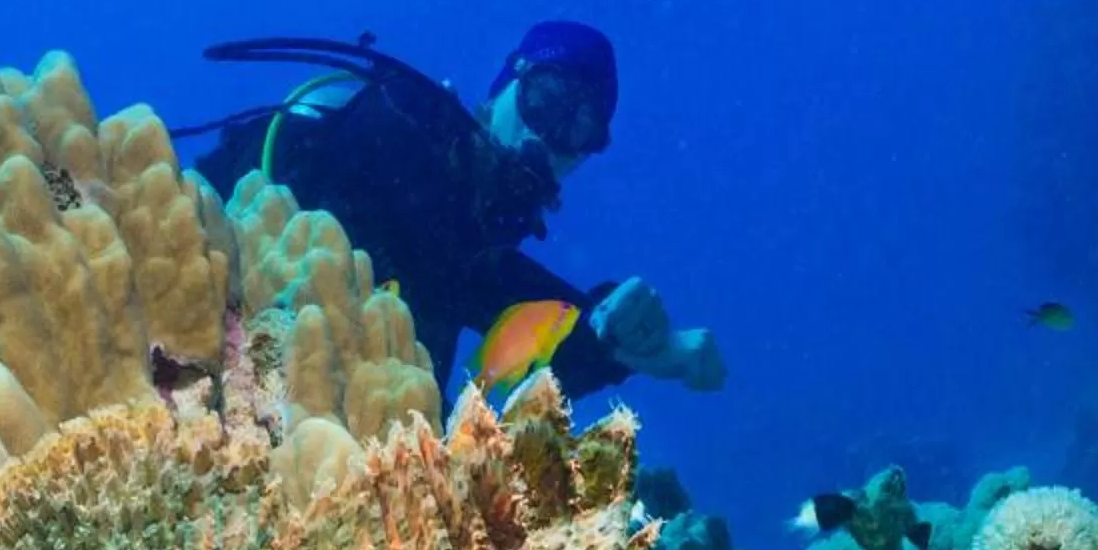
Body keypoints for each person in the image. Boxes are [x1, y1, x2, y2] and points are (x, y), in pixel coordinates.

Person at [187, 23, 723, 396]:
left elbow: (530, 323)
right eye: (547, 99)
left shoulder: (475, 244)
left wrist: (620, 340)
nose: (548, 136)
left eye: (579, 128)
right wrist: (599, 333)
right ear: (506, 86)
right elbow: (465, 267)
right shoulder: (398, 131)